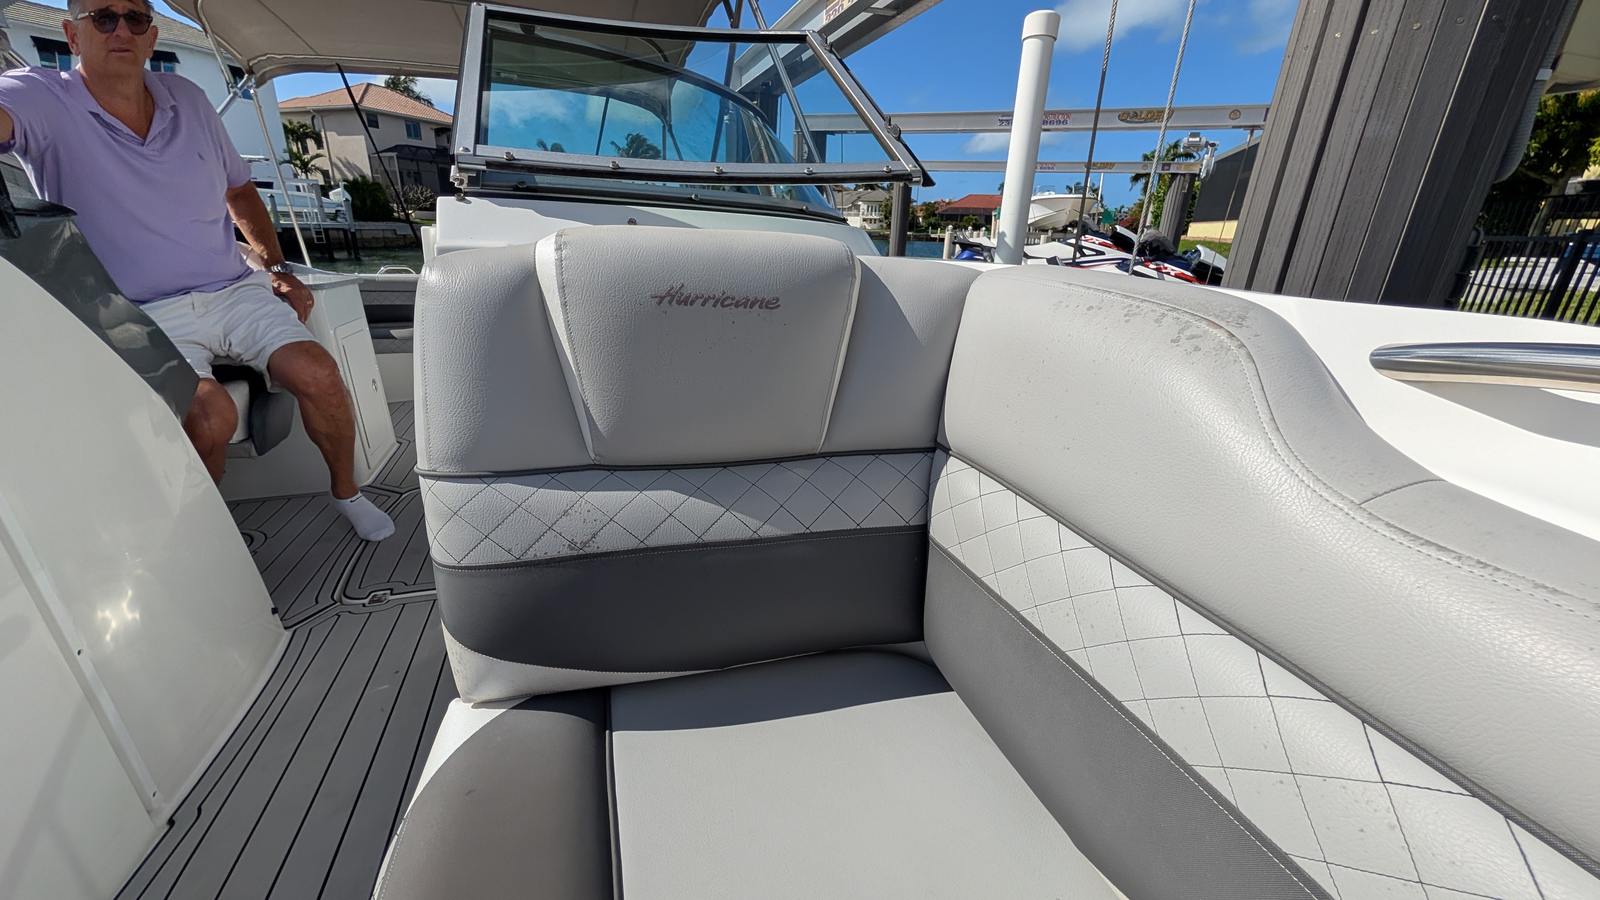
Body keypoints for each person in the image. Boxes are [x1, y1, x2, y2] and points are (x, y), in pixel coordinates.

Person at [0, 0, 393, 541]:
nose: (121, 29)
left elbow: (240, 191)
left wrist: (278, 267)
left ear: (151, 35)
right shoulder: (39, 96)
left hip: (233, 289)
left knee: (320, 374)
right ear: (71, 35)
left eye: (136, 18)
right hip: (137, 312)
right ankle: (208, 543)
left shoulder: (188, 98)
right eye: (104, 18)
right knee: (211, 417)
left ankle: (348, 493)